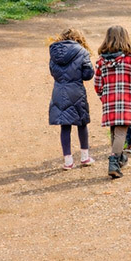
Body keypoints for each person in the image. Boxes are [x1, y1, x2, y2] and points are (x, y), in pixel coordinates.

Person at [94, 25, 131, 178]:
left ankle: (120, 158)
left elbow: (97, 84)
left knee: (115, 132)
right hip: (126, 100)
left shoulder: (101, 61)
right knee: (121, 132)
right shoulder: (130, 59)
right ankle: (114, 161)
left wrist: (104, 96)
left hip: (109, 101)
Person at [48, 28, 96, 170]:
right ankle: (84, 156)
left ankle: (68, 161)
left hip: (59, 90)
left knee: (65, 125)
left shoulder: (54, 53)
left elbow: (52, 71)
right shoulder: (81, 51)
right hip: (76, 90)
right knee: (81, 123)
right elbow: (88, 74)